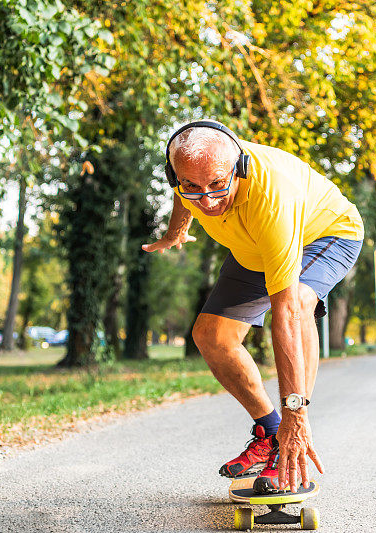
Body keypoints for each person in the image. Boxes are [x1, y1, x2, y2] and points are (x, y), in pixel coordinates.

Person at [143, 120, 363, 494]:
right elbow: (184, 193)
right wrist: (175, 231)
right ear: (175, 176)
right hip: (252, 248)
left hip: (324, 234)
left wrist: (296, 412)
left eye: (217, 184)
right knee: (210, 336)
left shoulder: (273, 196)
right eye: (193, 187)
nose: (207, 201)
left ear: (238, 168)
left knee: (300, 302)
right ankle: (271, 432)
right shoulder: (194, 178)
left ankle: (291, 432)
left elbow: (288, 313)